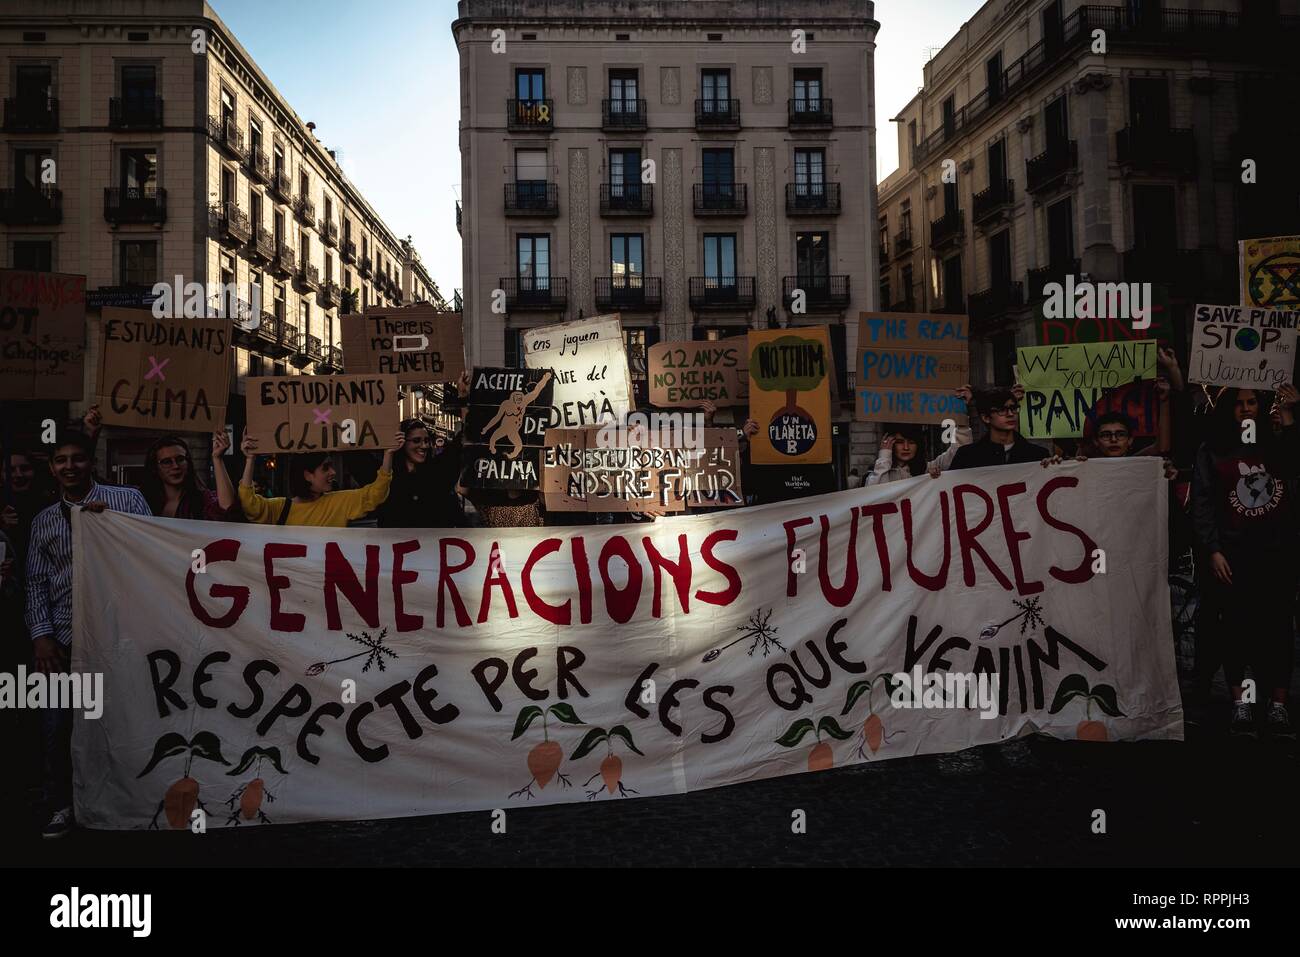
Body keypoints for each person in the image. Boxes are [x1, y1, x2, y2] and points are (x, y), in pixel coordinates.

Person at [25, 429, 151, 838]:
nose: (70, 467)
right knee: (57, 726)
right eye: (61, 460)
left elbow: (153, 551)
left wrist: (113, 525)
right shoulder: (43, 521)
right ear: (52, 468)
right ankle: (63, 803)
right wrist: (41, 636)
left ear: (90, 462)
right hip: (62, 639)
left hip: (119, 634)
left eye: (77, 458)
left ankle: (127, 802)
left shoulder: (125, 501)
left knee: (122, 721)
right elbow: (35, 583)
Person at [1191, 385, 1300, 738]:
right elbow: (1203, 502)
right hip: (1234, 554)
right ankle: (1242, 705)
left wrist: (1287, 415)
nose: (1245, 409)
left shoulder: (1277, 441)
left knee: (1278, 629)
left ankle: (1278, 706)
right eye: (1238, 404)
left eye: (1252, 401)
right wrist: (1213, 550)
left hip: (1277, 553)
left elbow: (1295, 464)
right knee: (1235, 629)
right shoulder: (1214, 449)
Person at [234, 430, 401, 527]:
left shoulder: (339, 502)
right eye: (325, 468)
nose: (333, 472)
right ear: (307, 475)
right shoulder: (280, 508)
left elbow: (375, 493)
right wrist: (250, 460)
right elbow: (250, 506)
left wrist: (388, 455)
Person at [868, 386, 974, 485]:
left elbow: (959, 451)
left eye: (911, 442)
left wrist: (962, 414)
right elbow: (874, 495)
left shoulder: (927, 469)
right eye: (900, 442)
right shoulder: (880, 471)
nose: (906, 447)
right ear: (891, 443)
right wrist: (884, 457)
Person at [376, 417, 466, 529]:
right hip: (395, 544)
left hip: (434, 544)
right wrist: (388, 453)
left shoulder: (438, 472)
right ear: (401, 442)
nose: (424, 446)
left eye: (426, 441)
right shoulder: (386, 477)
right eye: (416, 440)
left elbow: (457, 448)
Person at [139, 432, 241, 520]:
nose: (175, 466)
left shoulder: (202, 500)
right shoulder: (142, 501)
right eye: (166, 462)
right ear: (155, 467)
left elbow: (227, 508)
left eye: (180, 459)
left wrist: (217, 458)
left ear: (188, 462)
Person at [948, 385, 1049, 470]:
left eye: (1013, 408)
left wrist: (1055, 468)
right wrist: (934, 476)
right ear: (986, 418)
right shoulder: (967, 457)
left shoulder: (1038, 455)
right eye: (1002, 410)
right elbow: (949, 485)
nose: (1010, 414)